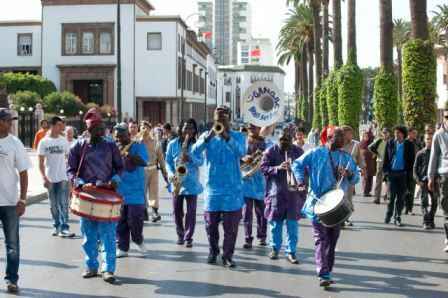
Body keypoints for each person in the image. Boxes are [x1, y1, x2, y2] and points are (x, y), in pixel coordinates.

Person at [292, 127, 359, 287]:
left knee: (332, 240)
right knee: (321, 239)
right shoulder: (315, 153)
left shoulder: (346, 157)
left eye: (344, 137)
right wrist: (301, 181)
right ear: (330, 138)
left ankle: (327, 269)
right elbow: (297, 164)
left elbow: (356, 177)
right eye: (340, 137)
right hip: (318, 204)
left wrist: (349, 174)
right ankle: (323, 273)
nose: (344, 140)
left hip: (336, 206)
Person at [67, 108, 123, 283]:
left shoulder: (111, 145)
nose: (101, 131)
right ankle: (91, 266)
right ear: (89, 129)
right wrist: (81, 183)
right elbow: (70, 170)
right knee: (88, 235)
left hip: (107, 195)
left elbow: (119, 167)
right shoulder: (78, 146)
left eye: (102, 128)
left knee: (108, 235)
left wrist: (114, 179)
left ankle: (108, 269)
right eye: (97, 128)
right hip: (86, 195)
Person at [192, 106, 246, 267]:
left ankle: (228, 256)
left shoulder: (238, 136)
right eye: (217, 119)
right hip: (212, 189)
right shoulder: (206, 136)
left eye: (223, 119)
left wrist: (227, 137)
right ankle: (213, 251)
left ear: (229, 119)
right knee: (210, 226)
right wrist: (207, 139)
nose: (220, 122)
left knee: (231, 228)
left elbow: (242, 152)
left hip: (232, 189)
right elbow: (194, 152)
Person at [260, 129, 304, 264]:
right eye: (282, 140)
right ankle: (274, 248)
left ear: (292, 140)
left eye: (287, 140)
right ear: (277, 140)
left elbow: (306, 168)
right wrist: (277, 168)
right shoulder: (270, 151)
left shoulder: (298, 152)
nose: (284, 142)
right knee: (275, 225)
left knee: (292, 225)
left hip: (293, 194)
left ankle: (291, 252)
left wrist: (298, 173)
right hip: (276, 194)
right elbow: (263, 168)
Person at [0, 108, 31, 293]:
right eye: (7, 120)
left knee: (12, 244)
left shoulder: (15, 143)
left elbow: (23, 172)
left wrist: (23, 200)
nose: (10, 123)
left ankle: (12, 279)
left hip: (10, 202)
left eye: (11, 120)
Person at [166, 119, 203, 247]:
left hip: (192, 183)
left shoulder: (197, 145)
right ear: (180, 129)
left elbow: (201, 162)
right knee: (177, 211)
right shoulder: (172, 144)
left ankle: (188, 237)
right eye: (186, 128)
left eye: (191, 129)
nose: (188, 131)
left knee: (191, 212)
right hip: (177, 181)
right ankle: (180, 234)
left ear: (195, 131)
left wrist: (190, 158)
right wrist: (170, 174)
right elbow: (168, 162)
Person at [114, 123, 149, 258]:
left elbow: (143, 162)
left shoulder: (138, 146)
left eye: (121, 136)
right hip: (120, 190)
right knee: (121, 221)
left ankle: (138, 240)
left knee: (135, 220)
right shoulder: (114, 148)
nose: (118, 139)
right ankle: (123, 247)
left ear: (128, 135)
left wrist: (128, 154)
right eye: (116, 137)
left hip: (135, 190)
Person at [37, 116, 75, 238]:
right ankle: (56, 225)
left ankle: (64, 228)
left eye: (62, 125)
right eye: (59, 125)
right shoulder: (44, 142)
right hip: (50, 178)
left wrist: (70, 178)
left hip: (63, 177)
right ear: (52, 126)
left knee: (63, 203)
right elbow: (40, 163)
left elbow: (69, 160)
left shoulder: (63, 141)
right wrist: (44, 177)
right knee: (53, 205)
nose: (61, 127)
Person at [241, 124, 268, 249]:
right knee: (247, 213)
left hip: (260, 183)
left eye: (254, 127)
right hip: (245, 181)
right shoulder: (242, 143)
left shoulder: (266, 144)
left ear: (259, 128)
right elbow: (236, 157)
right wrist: (243, 158)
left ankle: (262, 236)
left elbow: (270, 160)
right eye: (249, 128)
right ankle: (248, 238)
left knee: (261, 212)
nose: (251, 129)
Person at [383, 126, 415, 227]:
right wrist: (386, 173)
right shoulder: (390, 143)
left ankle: (398, 217)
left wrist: (409, 175)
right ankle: (389, 214)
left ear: (403, 134)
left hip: (403, 174)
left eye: (398, 133)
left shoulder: (409, 145)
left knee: (401, 198)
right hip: (392, 173)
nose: (396, 135)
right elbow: (386, 158)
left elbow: (411, 161)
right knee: (391, 196)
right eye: (395, 133)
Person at [428, 106, 448, 252]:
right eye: (446, 117)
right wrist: (430, 176)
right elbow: (434, 156)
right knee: (446, 208)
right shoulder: (439, 134)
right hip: (445, 175)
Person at [140, 121, 168, 222]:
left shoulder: (156, 142)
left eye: (145, 127)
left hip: (153, 169)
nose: (143, 129)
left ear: (150, 129)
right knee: (142, 191)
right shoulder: (137, 142)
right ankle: (143, 211)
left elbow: (161, 158)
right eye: (142, 127)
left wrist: (165, 172)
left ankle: (154, 212)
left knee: (154, 191)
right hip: (141, 170)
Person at [341, 125, 364, 226]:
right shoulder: (339, 144)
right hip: (339, 174)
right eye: (349, 133)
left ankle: (346, 217)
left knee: (349, 196)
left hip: (350, 175)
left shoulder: (355, 145)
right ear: (344, 134)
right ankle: (339, 217)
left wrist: (363, 168)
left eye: (351, 133)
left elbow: (359, 158)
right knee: (340, 196)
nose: (351, 135)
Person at [414, 133, 436, 230]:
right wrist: (418, 180)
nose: (429, 141)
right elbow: (414, 169)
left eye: (431, 139)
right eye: (427, 139)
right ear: (425, 140)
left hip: (434, 181)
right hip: (423, 181)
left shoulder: (436, 154)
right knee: (424, 202)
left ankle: (431, 219)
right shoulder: (420, 153)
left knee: (435, 202)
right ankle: (426, 221)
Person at [368, 128, 391, 204]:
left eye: (386, 133)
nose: (385, 134)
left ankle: (388, 195)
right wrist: (376, 153)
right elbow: (370, 147)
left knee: (389, 180)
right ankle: (377, 198)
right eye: (383, 133)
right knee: (378, 181)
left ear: (389, 133)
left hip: (388, 164)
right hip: (380, 162)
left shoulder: (391, 142)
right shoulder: (379, 140)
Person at [405, 127, 420, 215]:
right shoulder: (405, 143)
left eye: (416, 133)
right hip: (405, 170)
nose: (415, 135)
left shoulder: (416, 142)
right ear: (409, 133)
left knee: (411, 189)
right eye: (414, 133)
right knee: (405, 189)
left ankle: (409, 208)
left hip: (414, 170)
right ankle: (404, 207)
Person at [360, 131, 375, 197]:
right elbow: (360, 154)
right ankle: (365, 191)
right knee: (365, 177)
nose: (366, 137)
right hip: (364, 163)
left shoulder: (372, 144)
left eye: (367, 136)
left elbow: (375, 153)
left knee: (370, 177)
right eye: (365, 136)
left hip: (371, 163)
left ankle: (368, 191)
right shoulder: (362, 144)